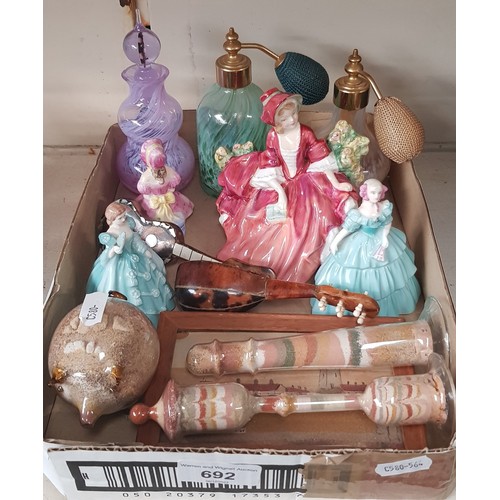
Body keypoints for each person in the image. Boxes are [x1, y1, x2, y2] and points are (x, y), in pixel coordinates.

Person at [215, 88, 359, 283]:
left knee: (315, 215)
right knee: (265, 223)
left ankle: (324, 247)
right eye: (284, 119)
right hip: (280, 182)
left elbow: (319, 160)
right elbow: (271, 168)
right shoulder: (273, 137)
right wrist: (281, 195)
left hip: (307, 179)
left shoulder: (305, 132)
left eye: (293, 114)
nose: (291, 120)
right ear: (276, 122)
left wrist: (335, 183)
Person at [311, 178, 421, 317]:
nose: (376, 196)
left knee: (390, 269)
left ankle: (383, 306)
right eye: (373, 192)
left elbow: (387, 222)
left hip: (380, 239)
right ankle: (350, 305)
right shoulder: (359, 213)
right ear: (365, 193)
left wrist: (384, 236)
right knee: (350, 268)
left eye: (379, 193)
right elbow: (347, 229)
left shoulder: (384, 206)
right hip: (359, 242)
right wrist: (335, 242)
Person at [86, 201, 175, 327]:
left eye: (123, 216)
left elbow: (135, 240)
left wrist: (144, 251)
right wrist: (114, 250)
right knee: (123, 288)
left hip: (137, 257)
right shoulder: (111, 233)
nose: (123, 219)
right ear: (112, 220)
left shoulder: (127, 224)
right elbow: (108, 252)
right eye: (119, 218)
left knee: (150, 279)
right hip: (120, 263)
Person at [135, 138, 194, 233]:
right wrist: (151, 196)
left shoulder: (168, 170)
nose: (160, 171)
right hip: (153, 200)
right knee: (150, 216)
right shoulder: (146, 176)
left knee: (177, 211)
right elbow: (143, 189)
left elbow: (174, 179)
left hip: (168, 196)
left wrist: (169, 189)